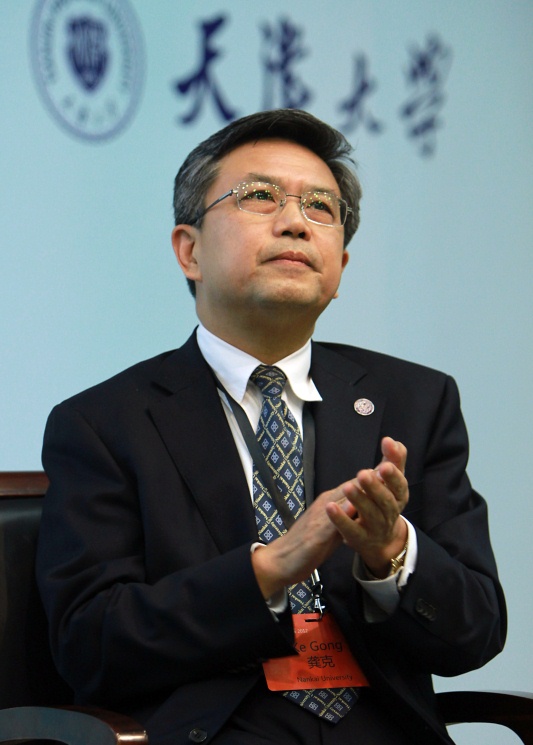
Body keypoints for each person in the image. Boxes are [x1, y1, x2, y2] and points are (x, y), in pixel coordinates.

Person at [36, 109, 506, 745]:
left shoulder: (415, 402)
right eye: (260, 196)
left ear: (340, 265)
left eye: (321, 207)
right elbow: (89, 646)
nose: (295, 222)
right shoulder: (103, 423)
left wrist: (392, 552)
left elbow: (475, 633)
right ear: (190, 250)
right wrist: (269, 569)